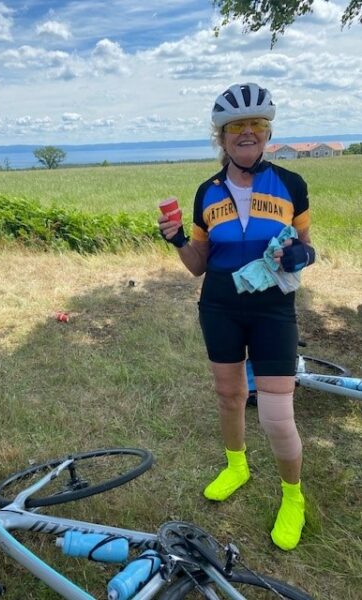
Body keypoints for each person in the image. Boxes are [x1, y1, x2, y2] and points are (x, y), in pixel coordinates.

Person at [158, 82, 315, 551]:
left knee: (276, 415)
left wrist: (301, 256)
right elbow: (198, 265)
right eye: (236, 127)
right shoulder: (206, 192)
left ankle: (293, 497)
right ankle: (237, 465)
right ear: (221, 137)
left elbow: (308, 247)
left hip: (273, 310)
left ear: (267, 133)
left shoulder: (291, 184)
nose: (247, 132)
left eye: (256, 124)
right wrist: (178, 240)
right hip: (220, 306)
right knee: (229, 396)